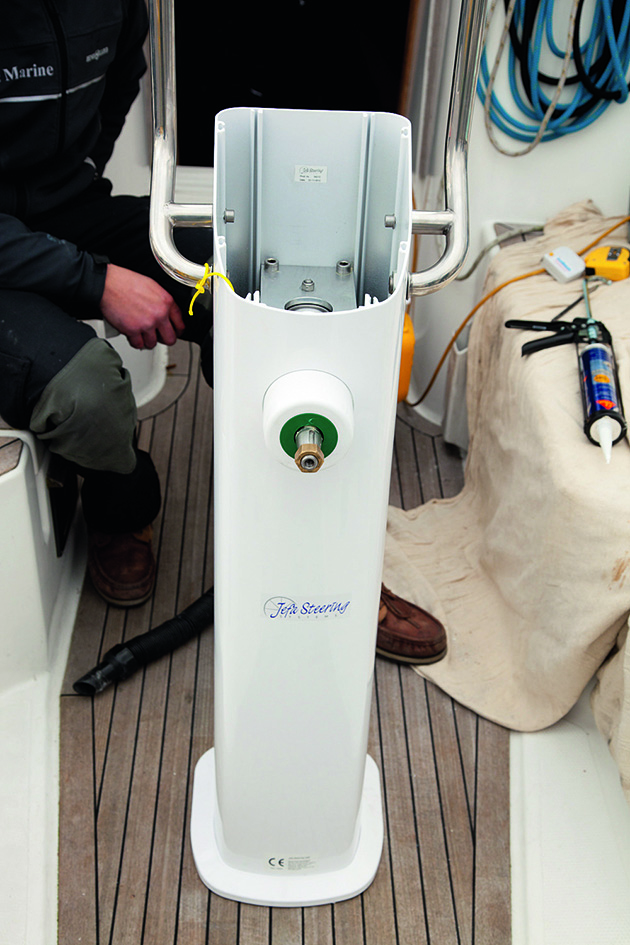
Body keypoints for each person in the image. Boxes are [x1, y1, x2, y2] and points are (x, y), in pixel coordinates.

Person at [0, 0, 212, 606]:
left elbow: (122, 77)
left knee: (236, 279)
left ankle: (282, 477)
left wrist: (83, 167)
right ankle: (120, 511)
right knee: (88, 388)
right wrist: (96, 281)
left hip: (66, 208)